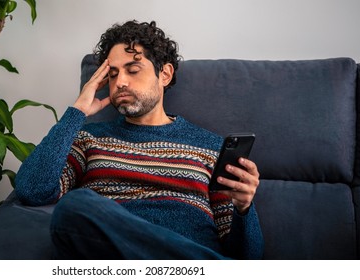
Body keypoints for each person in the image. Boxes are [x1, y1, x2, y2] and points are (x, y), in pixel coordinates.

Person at [15, 20, 264, 260]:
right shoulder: (89, 139)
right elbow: (32, 191)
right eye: (112, 74)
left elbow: (248, 257)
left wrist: (243, 208)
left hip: (192, 254)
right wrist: (77, 111)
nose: (120, 82)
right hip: (116, 261)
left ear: (164, 74)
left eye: (133, 70)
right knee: (74, 207)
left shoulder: (210, 147)